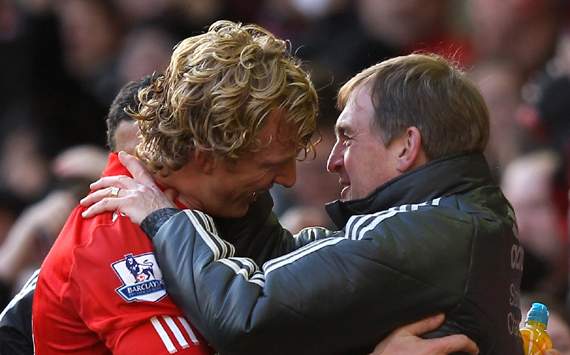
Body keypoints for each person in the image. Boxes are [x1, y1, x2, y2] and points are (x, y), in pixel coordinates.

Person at [82, 51, 523, 353]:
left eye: (348, 137)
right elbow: (291, 270)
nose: (332, 161)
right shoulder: (465, 218)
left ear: (406, 147)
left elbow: (247, 315)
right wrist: (242, 186)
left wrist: (163, 220)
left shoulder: (429, 234)